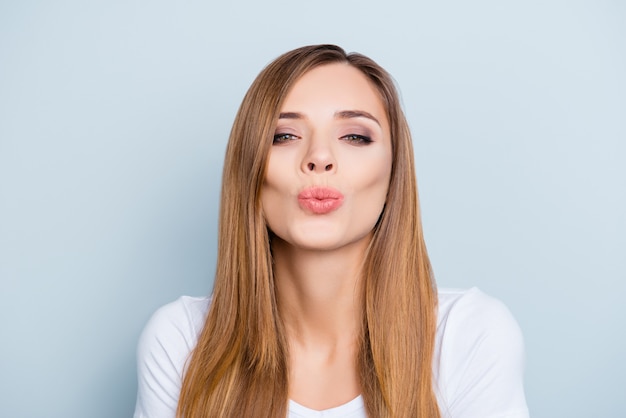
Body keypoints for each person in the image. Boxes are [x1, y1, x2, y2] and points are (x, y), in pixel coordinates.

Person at [133, 44, 529, 418]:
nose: (319, 157)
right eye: (284, 136)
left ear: (394, 174)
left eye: (355, 136)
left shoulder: (469, 337)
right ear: (249, 170)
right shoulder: (182, 342)